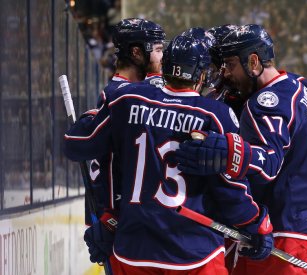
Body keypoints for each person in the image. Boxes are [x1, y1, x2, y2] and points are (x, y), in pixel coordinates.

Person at [64, 34, 274, 274]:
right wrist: (255, 224)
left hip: (134, 250)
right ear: (202, 74)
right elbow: (228, 188)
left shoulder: (126, 99)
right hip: (193, 253)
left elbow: (79, 146)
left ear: (164, 67)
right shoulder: (216, 114)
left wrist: (89, 118)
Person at [175, 24, 307, 275]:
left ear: (253, 62)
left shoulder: (261, 104)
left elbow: (268, 164)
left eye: (230, 65)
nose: (225, 74)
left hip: (282, 223)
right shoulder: (298, 85)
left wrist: (229, 150)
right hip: (305, 218)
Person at [81, 17, 166, 265]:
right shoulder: (119, 95)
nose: (163, 57)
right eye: (158, 50)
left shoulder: (133, 92)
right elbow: (102, 163)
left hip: (134, 219)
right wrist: (108, 216)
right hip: (120, 222)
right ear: (137, 52)